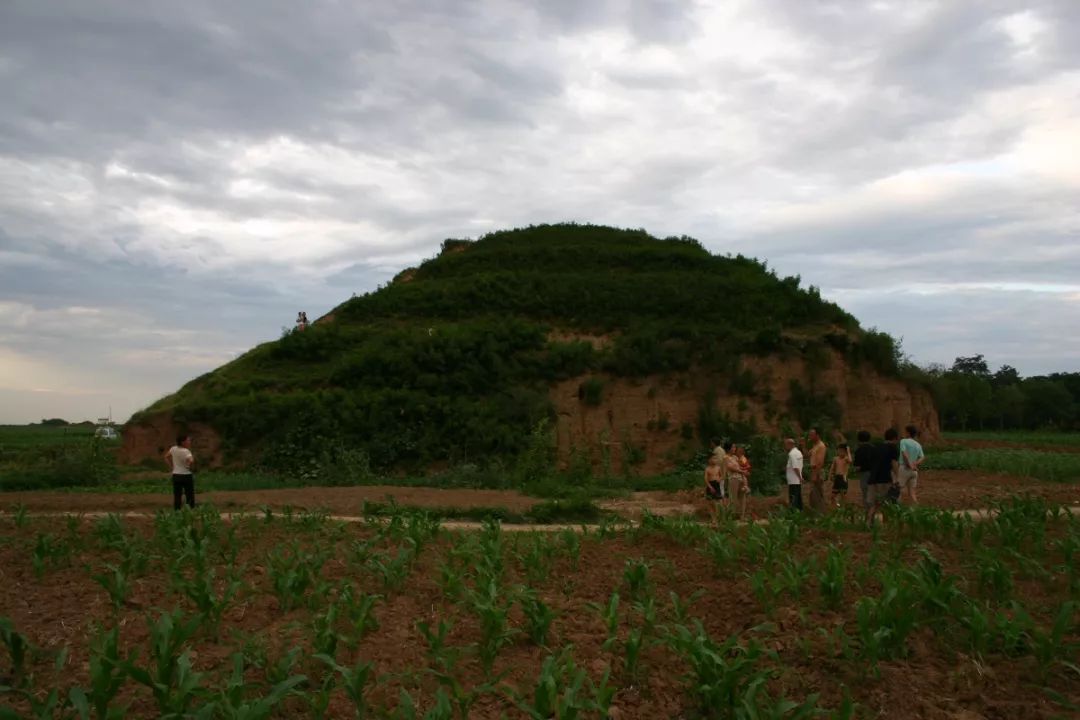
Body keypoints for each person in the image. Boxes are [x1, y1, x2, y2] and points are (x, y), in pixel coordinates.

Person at [865, 428, 899, 527]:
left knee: (874, 503)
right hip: (884, 479)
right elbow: (894, 463)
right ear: (895, 438)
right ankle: (886, 524)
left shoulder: (875, 447)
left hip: (872, 479)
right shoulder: (893, 448)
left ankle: (868, 523)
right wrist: (897, 478)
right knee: (886, 502)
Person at [164, 434, 196, 510]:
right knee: (189, 495)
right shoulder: (186, 451)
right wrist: (188, 465)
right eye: (188, 440)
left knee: (177, 495)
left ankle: (177, 511)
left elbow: (166, 457)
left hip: (176, 475)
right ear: (183, 442)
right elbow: (191, 460)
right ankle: (190, 510)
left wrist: (172, 467)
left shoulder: (173, 448)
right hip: (186, 475)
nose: (189, 442)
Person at [898, 425, 925, 504]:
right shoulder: (918, 444)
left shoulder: (903, 441)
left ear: (908, 433)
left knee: (898, 490)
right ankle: (916, 510)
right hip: (914, 471)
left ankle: (897, 510)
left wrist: (909, 465)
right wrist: (915, 464)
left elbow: (904, 454)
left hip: (904, 468)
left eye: (905, 431)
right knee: (912, 493)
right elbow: (922, 457)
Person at [724, 442, 749, 520]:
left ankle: (742, 516)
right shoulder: (726, 458)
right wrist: (742, 471)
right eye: (733, 447)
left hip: (740, 477)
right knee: (733, 498)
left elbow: (740, 466)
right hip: (733, 478)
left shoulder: (735, 457)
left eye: (735, 447)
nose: (735, 449)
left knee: (743, 497)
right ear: (729, 448)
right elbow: (730, 467)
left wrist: (744, 471)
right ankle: (729, 515)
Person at [853, 430, 875, 510]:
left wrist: (855, 471)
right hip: (874, 474)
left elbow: (857, 467)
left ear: (859, 439)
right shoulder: (874, 448)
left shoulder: (859, 450)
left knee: (865, 493)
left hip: (864, 474)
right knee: (873, 493)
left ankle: (867, 513)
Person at [807, 428, 828, 513]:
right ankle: (817, 512)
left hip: (817, 471)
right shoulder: (815, 446)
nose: (810, 437)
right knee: (815, 493)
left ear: (817, 435)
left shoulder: (821, 446)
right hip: (814, 470)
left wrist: (815, 474)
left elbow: (820, 462)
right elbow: (807, 455)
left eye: (812, 435)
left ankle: (821, 512)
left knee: (818, 493)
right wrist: (803, 445)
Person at [703, 455, 725, 525]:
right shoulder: (707, 469)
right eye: (713, 459)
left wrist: (720, 479)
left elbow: (722, 476)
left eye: (715, 459)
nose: (714, 460)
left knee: (718, 502)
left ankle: (719, 518)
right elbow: (706, 479)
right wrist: (710, 487)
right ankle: (713, 519)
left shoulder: (718, 468)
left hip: (717, 484)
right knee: (709, 503)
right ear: (709, 460)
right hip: (710, 484)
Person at [784, 438, 804, 511]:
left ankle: (793, 513)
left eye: (786, 444)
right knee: (798, 496)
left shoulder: (792, 454)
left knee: (793, 497)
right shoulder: (798, 452)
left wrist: (800, 477)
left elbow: (795, 467)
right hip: (797, 480)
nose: (785, 446)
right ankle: (800, 511)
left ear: (790, 444)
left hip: (793, 480)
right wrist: (800, 477)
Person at [830, 443, 851, 507]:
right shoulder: (835, 459)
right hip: (837, 477)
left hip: (843, 477)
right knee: (833, 495)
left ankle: (844, 508)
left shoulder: (846, 458)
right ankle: (836, 506)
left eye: (842, 451)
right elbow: (832, 468)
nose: (840, 452)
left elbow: (850, 461)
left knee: (843, 495)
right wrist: (831, 475)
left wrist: (848, 451)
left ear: (845, 451)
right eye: (839, 450)